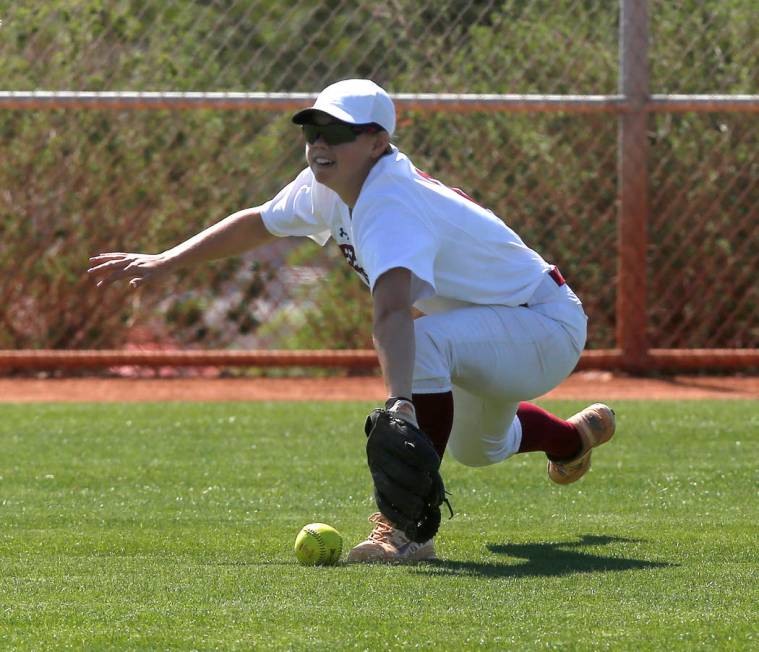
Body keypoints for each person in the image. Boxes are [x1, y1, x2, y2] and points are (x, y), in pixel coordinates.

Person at [88, 79, 616, 563]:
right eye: (313, 129)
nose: (320, 143)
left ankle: (406, 533)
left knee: (425, 343)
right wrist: (166, 260)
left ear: (376, 142)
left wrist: (400, 402)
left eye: (337, 132)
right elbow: (259, 223)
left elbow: (391, 312)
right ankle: (572, 440)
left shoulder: (390, 202)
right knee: (478, 449)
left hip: (541, 326)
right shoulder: (330, 184)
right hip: (490, 333)